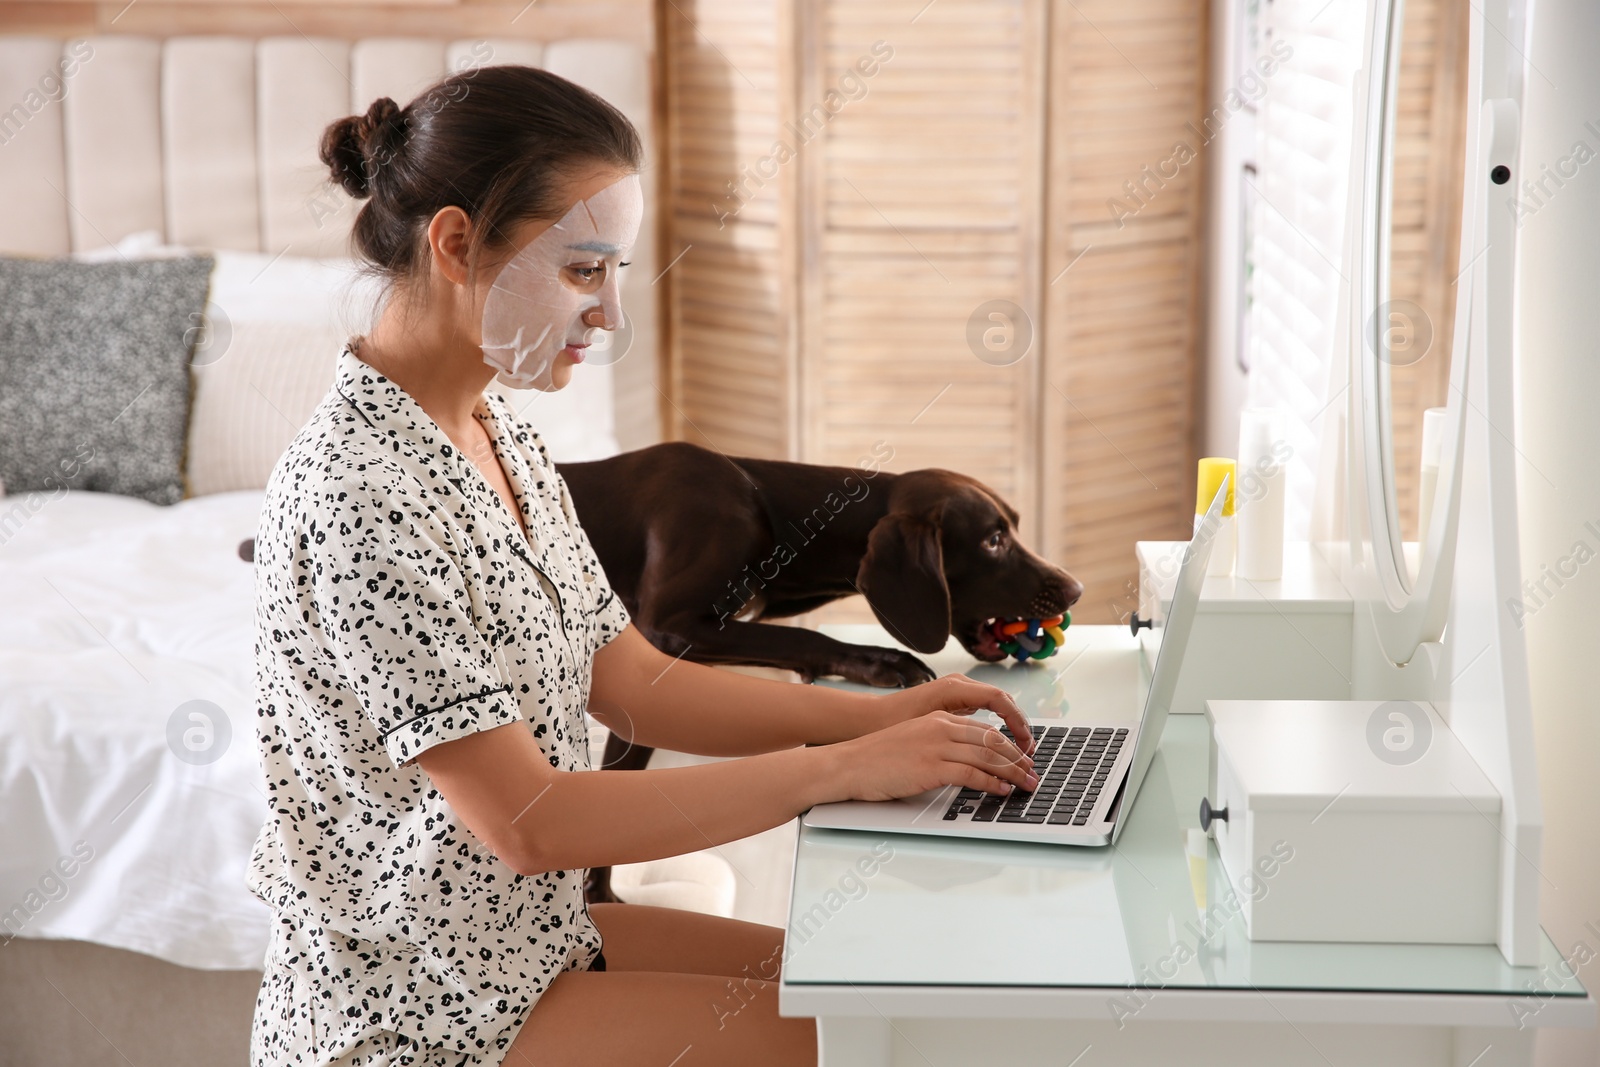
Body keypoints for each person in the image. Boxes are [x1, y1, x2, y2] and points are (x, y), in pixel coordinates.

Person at [246, 64, 1038, 1067]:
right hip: (417, 1008)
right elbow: (527, 822)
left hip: (524, 943)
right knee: (879, 1047)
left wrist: (885, 714)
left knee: (893, 1007)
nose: (612, 313)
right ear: (455, 243)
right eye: (585, 270)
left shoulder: (501, 443)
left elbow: (633, 682)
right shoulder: (359, 495)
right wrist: (837, 769)